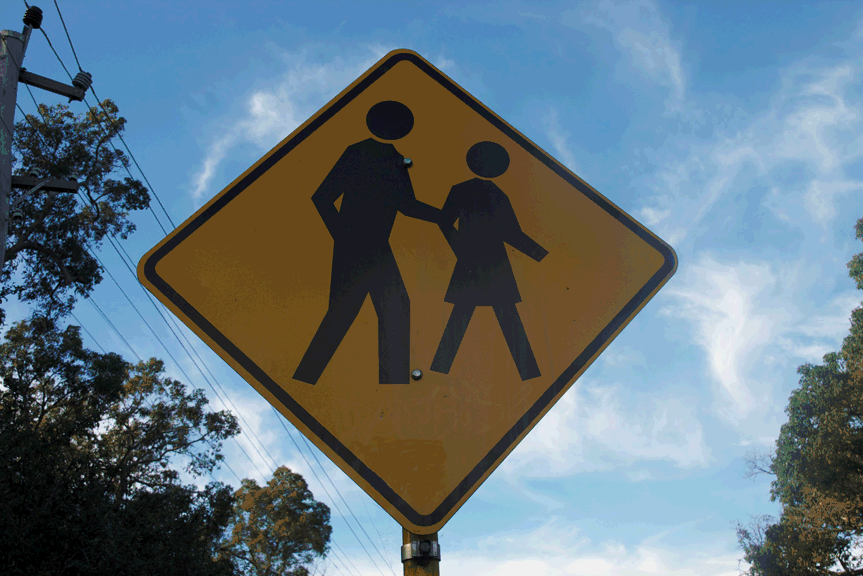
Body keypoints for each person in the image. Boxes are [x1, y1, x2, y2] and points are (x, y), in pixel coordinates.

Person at [293, 101, 441, 385]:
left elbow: (407, 206)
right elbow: (322, 197)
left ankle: (392, 386)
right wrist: (343, 236)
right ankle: (306, 378)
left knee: (389, 306)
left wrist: (442, 216)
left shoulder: (396, 159)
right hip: (356, 243)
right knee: (348, 310)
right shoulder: (357, 152)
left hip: (376, 245)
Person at [431, 141, 548, 381]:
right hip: (484, 262)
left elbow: (510, 233)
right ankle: (439, 371)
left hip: (491, 262)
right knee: (467, 313)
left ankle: (528, 374)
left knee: (498, 313)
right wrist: (459, 248)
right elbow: (444, 221)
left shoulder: (496, 194)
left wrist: (542, 256)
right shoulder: (473, 191)